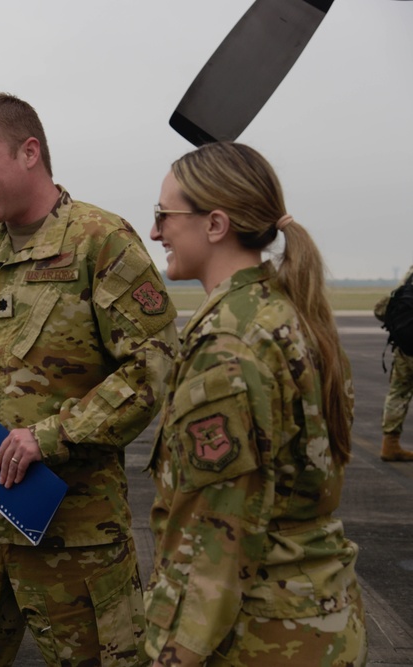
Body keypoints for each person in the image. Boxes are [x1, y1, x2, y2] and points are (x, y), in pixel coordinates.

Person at [0, 93, 178, 667]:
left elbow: (153, 364)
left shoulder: (99, 241)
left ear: (28, 151)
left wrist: (50, 437)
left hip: (71, 529)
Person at [144, 142, 365, 666]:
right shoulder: (286, 312)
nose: (155, 232)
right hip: (320, 619)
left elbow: (214, 543)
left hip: (259, 637)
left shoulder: (228, 343)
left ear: (216, 224)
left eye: (163, 215)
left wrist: (167, 655)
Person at [374, 265, 413, 461]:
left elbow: (384, 308)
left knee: (398, 393)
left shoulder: (410, 273)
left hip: (404, 348)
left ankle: (389, 445)